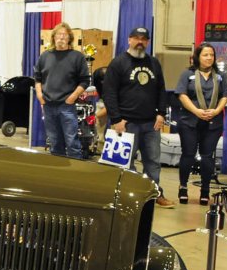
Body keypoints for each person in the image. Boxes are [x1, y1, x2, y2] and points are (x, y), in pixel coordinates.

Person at [102, 26, 174, 207]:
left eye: (144, 39)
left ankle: (153, 195)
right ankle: (128, 195)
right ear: (129, 39)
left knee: (153, 163)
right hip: (126, 125)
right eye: (136, 38)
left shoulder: (154, 63)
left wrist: (161, 113)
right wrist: (116, 119)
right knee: (125, 164)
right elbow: (109, 93)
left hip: (151, 124)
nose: (140, 42)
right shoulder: (118, 63)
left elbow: (161, 90)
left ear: (148, 42)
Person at [173, 43, 227, 205]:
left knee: (207, 157)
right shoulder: (187, 74)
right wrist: (196, 111)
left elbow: (225, 96)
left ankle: (205, 190)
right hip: (190, 121)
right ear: (198, 57)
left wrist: (217, 110)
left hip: (213, 122)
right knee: (188, 154)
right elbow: (182, 95)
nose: (209, 58)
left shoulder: (220, 76)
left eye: (211, 55)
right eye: (205, 55)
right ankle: (183, 187)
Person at [34, 22, 91, 159]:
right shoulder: (45, 56)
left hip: (67, 107)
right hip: (48, 105)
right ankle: (58, 173)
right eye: (59, 34)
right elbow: (37, 78)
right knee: (54, 143)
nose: (61, 37)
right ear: (53, 37)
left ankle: (75, 173)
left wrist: (72, 97)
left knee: (72, 143)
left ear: (69, 38)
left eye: (65, 35)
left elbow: (85, 81)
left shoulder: (77, 57)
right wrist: (40, 95)